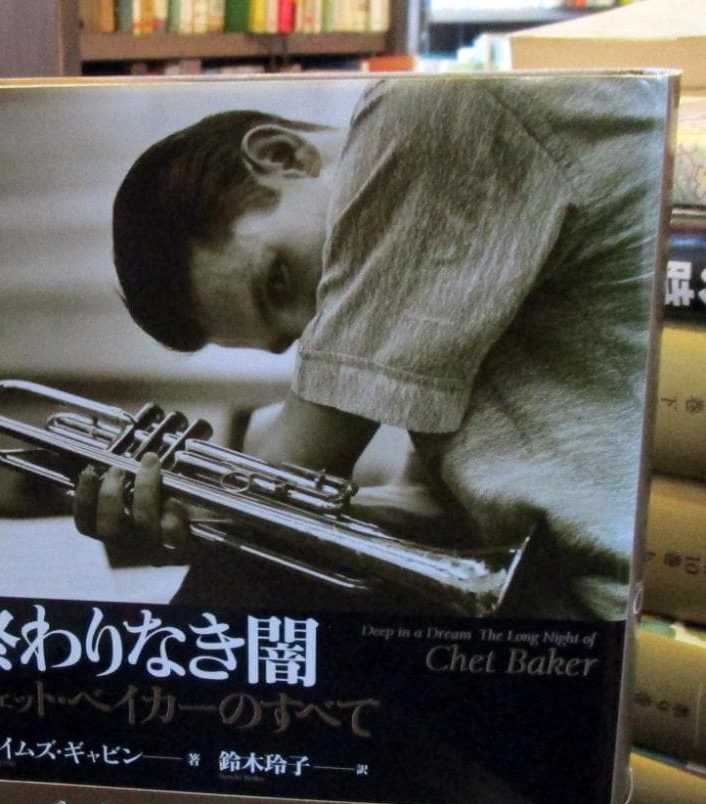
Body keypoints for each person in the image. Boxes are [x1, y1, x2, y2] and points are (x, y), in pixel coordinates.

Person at [75, 75, 668, 619]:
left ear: (282, 156)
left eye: (278, 280)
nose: (319, 322)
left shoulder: (429, 113)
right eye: (294, 338)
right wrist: (203, 519)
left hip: (631, 604)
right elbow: (436, 510)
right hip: (565, 602)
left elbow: (291, 479)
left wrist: (230, 517)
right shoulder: (428, 298)